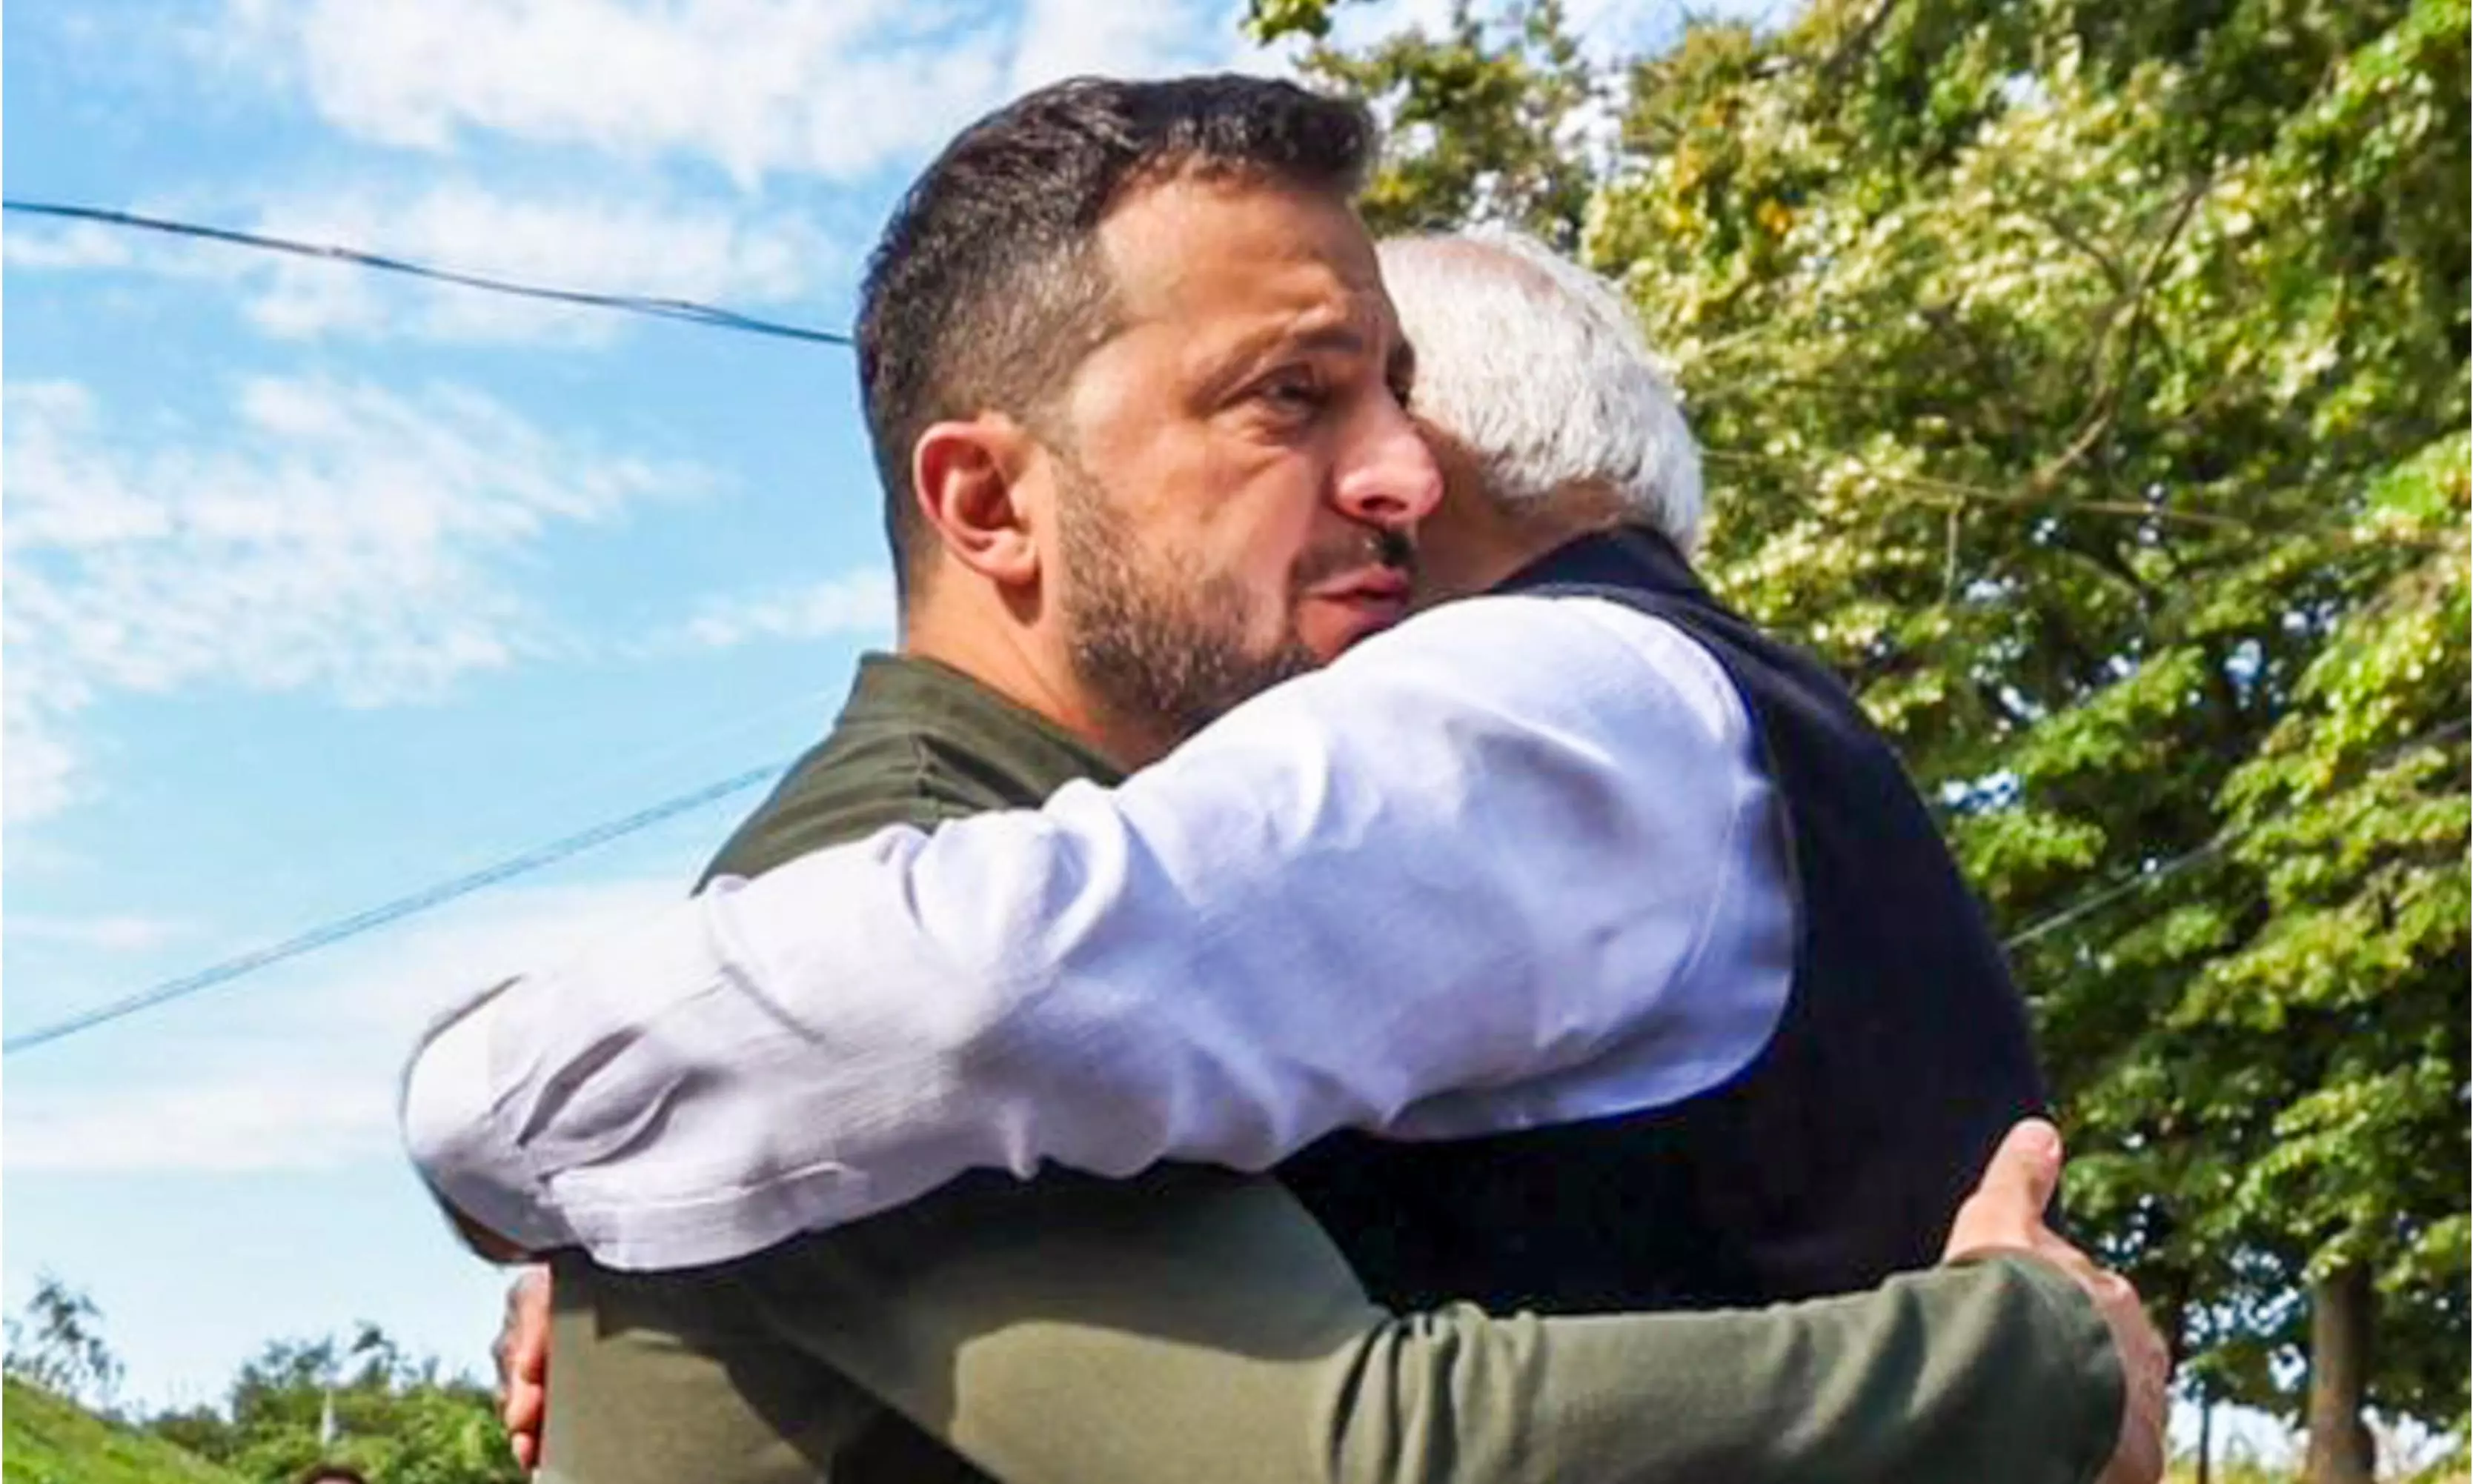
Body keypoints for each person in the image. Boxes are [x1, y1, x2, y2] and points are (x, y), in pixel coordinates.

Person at [408, 74, 2165, 1484]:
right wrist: (2035, 1356)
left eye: (1393, 389)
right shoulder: (891, 880)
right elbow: (1339, 1447)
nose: (1405, 470)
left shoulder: (1142, 939)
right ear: (993, 504)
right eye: (1291, 397)